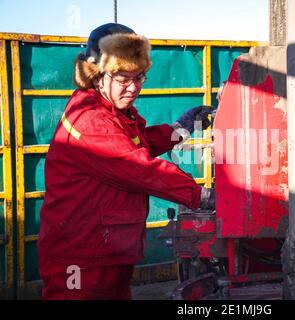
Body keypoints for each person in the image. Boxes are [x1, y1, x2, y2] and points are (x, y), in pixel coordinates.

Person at [37, 23, 215, 300]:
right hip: (80, 259)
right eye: (123, 79)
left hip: (108, 251)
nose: (133, 88)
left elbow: (139, 143)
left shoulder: (114, 111)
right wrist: (204, 196)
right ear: (97, 75)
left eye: (140, 77)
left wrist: (182, 128)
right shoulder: (91, 120)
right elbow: (139, 168)